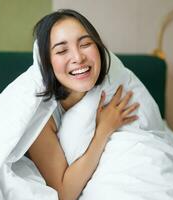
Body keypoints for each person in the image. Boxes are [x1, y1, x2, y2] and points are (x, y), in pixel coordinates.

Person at [28, 9, 139, 200]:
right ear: (47, 63)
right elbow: (63, 194)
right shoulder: (40, 117)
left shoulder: (110, 89)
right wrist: (103, 130)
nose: (78, 58)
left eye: (86, 44)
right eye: (62, 50)